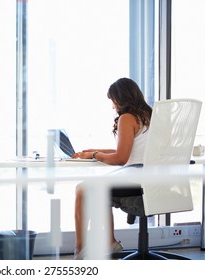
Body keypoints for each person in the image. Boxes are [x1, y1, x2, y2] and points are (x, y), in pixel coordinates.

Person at [72, 77, 152, 259]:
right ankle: (110, 243)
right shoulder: (149, 116)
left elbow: (121, 158)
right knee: (100, 185)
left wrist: (94, 155)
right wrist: (94, 150)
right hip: (151, 181)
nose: (113, 106)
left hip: (136, 183)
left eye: (113, 101)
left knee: (82, 189)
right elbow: (130, 150)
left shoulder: (127, 118)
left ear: (121, 99)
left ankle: (80, 249)